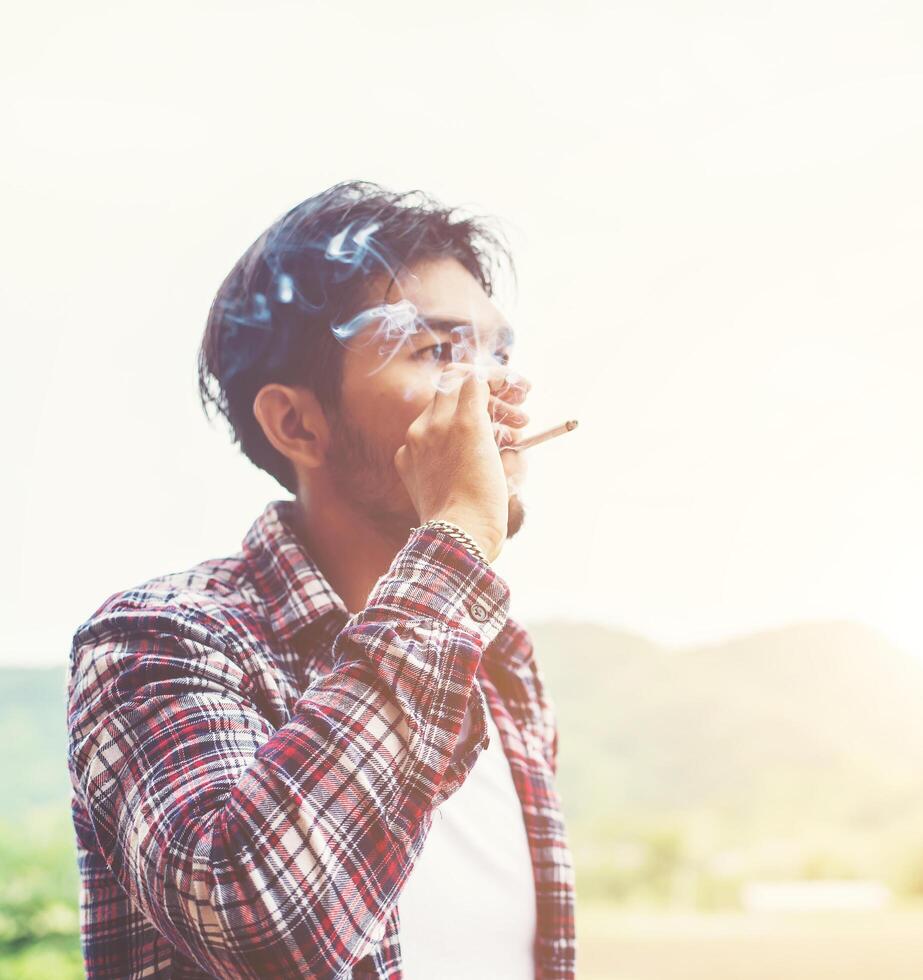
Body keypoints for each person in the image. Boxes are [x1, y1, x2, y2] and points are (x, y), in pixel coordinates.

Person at [64, 181, 575, 979]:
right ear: (296, 423)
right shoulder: (159, 639)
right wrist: (457, 540)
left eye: (497, 350)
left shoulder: (501, 661)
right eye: (439, 352)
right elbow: (261, 925)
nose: (497, 391)